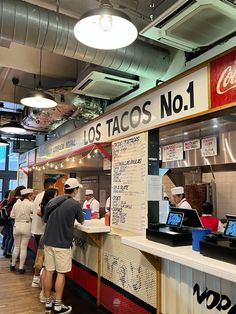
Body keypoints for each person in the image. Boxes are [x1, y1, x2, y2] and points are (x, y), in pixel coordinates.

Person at [43, 178, 85, 314]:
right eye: (78, 189)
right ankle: (58, 305)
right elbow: (82, 221)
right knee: (61, 273)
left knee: (49, 271)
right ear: (75, 190)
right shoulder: (75, 204)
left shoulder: (52, 201)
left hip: (48, 242)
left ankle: (48, 303)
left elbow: (45, 219)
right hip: (62, 243)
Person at [31, 178, 56, 288]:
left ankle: (37, 279)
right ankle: (41, 280)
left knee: (39, 256)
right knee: (43, 257)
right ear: (51, 186)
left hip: (37, 229)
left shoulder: (39, 196)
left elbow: (35, 211)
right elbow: (41, 213)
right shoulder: (47, 197)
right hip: (43, 231)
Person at [10, 188, 34, 273]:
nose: (33, 196)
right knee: (23, 248)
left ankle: (12, 265)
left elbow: (12, 215)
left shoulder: (17, 204)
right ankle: (21, 268)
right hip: (26, 225)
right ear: (28, 195)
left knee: (16, 246)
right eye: (32, 195)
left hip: (17, 225)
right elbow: (34, 215)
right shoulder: (31, 204)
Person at [2, 186, 25, 258]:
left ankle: (6, 251)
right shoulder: (18, 200)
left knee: (9, 236)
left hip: (7, 219)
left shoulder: (12, 199)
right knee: (12, 237)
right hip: (12, 220)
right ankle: (9, 252)